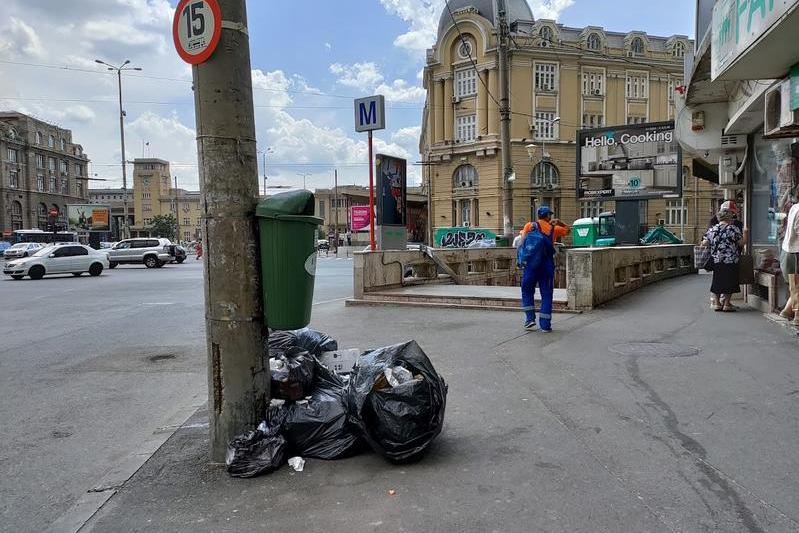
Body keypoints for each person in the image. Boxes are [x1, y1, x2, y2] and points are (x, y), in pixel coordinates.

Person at [518, 206, 564, 332]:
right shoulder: (553, 228)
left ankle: (529, 319)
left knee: (527, 291)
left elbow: (522, 244)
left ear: (538, 215)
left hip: (531, 266)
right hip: (546, 265)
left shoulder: (529, 226)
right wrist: (559, 222)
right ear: (548, 216)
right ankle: (545, 325)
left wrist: (521, 260)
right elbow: (567, 230)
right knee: (546, 295)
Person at [702, 208, 747, 312]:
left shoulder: (713, 229)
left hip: (717, 259)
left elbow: (705, 243)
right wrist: (745, 233)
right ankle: (727, 304)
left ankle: (717, 303)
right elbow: (741, 243)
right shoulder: (733, 229)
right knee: (729, 281)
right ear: (729, 218)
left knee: (717, 280)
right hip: (731, 260)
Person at [779, 202, 799, 325]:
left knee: (795, 286)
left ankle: (787, 311)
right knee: (796, 286)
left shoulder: (794, 207)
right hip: (795, 251)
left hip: (789, 250)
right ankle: (796, 316)